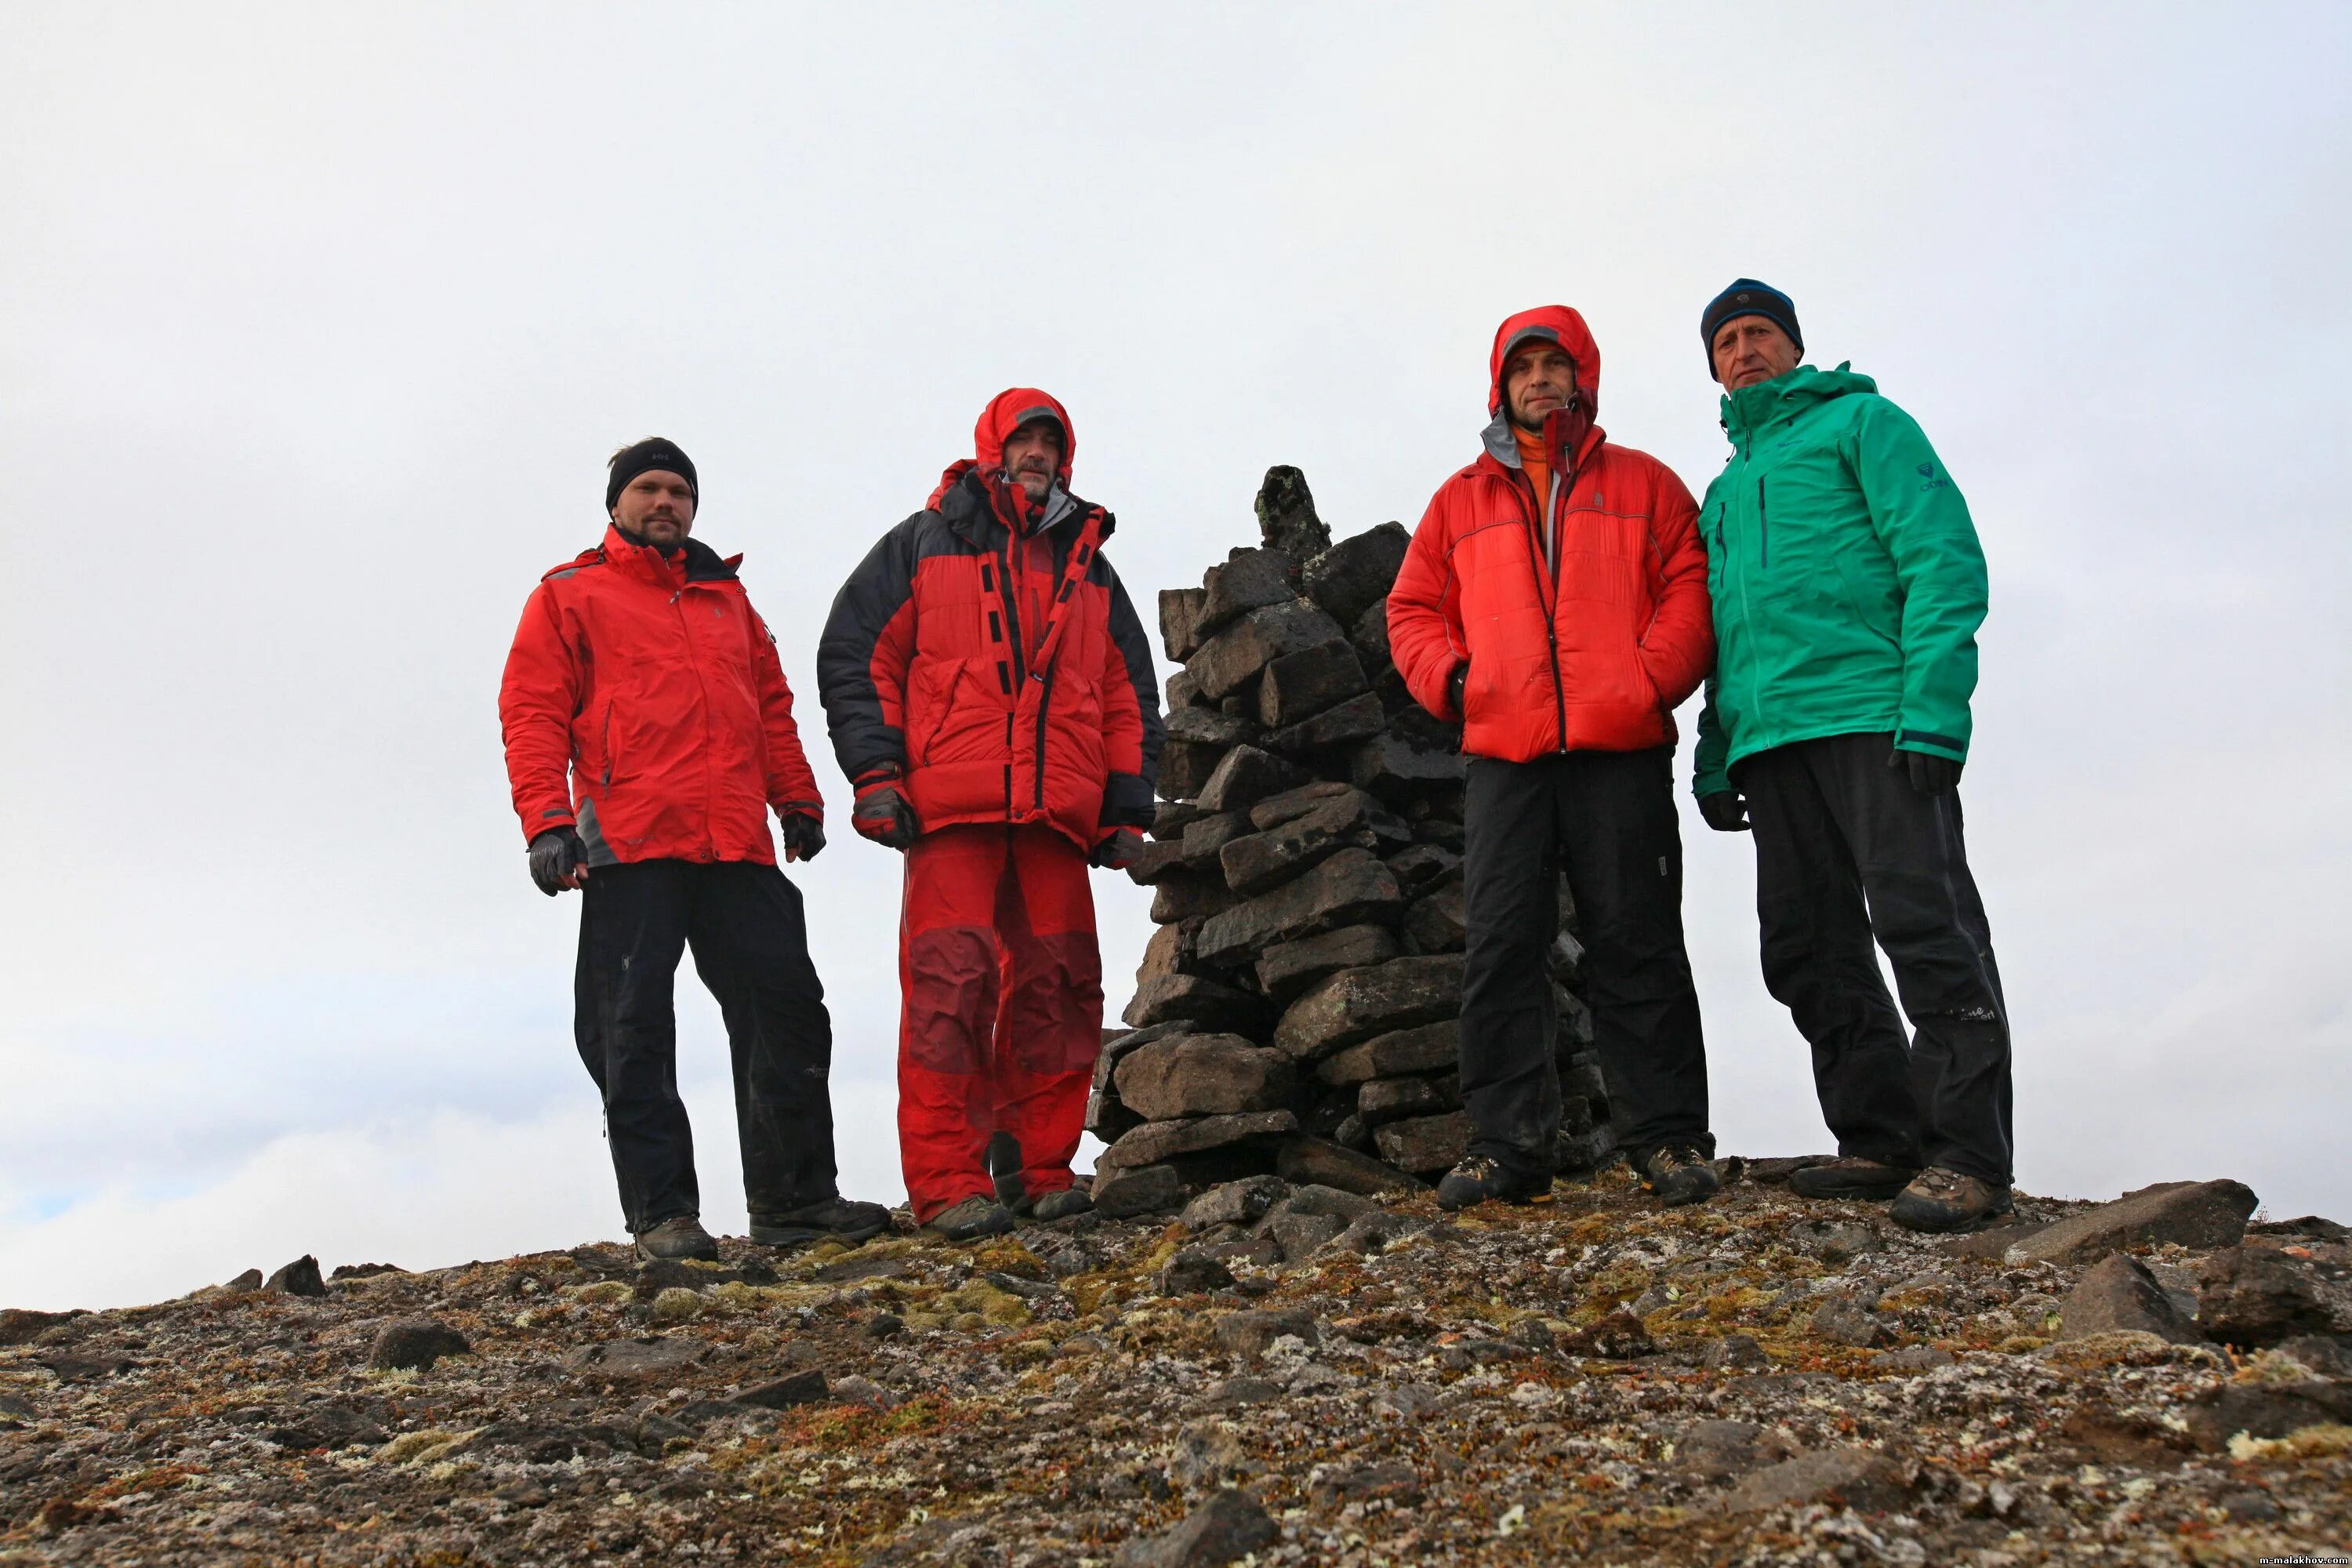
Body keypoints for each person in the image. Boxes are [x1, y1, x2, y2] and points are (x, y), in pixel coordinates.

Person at [499, 437, 888, 1262]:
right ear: (616, 503)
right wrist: (545, 824)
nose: (664, 501)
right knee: (630, 1028)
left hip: (737, 842)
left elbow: (770, 706)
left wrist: (799, 797)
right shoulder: (568, 595)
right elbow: (532, 711)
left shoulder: (729, 602)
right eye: (647, 487)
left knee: (787, 1008)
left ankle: (796, 1200)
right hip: (628, 840)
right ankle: (664, 1214)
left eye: (678, 489)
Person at [1690, 279, 2013, 1232]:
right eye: (1726, 341)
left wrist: (1936, 710)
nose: (1744, 350)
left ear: (1794, 346)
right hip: (1770, 744)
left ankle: (1969, 1156)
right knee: (1806, 945)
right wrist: (1717, 751)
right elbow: (1724, 633)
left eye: (1760, 334)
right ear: (1712, 364)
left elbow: (1942, 557)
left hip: (1876, 717)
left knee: (1925, 925)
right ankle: (1881, 1137)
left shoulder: (1865, 423)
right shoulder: (1725, 488)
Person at [1388, 307, 1720, 1212]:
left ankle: (1669, 1139)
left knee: (1638, 941)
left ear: (1584, 378)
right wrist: (1457, 685)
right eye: (1523, 366)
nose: (1540, 380)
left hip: (1621, 749)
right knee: (1501, 944)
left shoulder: (1648, 484)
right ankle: (1506, 1147)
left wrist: (1646, 682)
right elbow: (1412, 609)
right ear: (1501, 386)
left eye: (1555, 364)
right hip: (1506, 751)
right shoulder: (1459, 497)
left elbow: (1692, 589)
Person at [818, 390, 1163, 1241]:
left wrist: (1125, 806)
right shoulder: (921, 543)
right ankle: (946, 1181)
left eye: (1051, 440)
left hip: (1055, 815)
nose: (1037, 452)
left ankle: (1040, 1166)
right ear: (992, 448)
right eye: (1024, 438)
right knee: (950, 989)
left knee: (1063, 987)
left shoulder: (1090, 566)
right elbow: (857, 656)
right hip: (951, 812)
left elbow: (1129, 693)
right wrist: (875, 773)